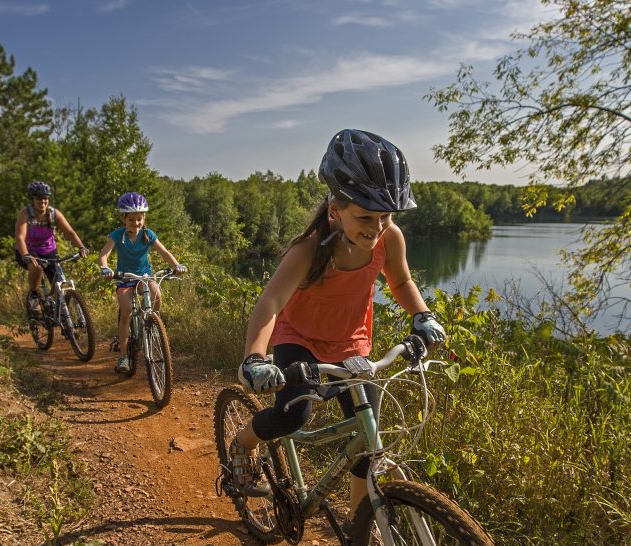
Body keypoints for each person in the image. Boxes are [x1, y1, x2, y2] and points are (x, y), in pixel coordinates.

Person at [229, 129, 446, 523]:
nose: (377, 227)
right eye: (365, 217)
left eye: (386, 216)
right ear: (336, 209)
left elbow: (400, 282)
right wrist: (255, 358)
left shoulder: (388, 239)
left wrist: (422, 315)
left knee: (369, 436)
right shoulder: (309, 249)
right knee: (294, 417)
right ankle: (244, 443)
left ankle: (359, 524)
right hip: (300, 340)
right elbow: (271, 302)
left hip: (352, 344)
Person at [98, 192, 187, 373]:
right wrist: (105, 268)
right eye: (132, 219)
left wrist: (176, 265)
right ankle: (123, 356)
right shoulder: (117, 235)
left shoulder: (148, 234)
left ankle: (152, 324)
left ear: (144, 218)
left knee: (157, 294)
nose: (136, 223)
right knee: (127, 312)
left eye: (139, 219)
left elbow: (164, 252)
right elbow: (104, 254)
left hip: (144, 276)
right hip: (124, 278)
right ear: (123, 218)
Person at [14, 180, 89, 315]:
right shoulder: (25, 214)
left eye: (45, 199)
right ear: (32, 199)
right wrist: (26, 255)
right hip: (27, 250)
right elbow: (20, 237)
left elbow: (70, 233)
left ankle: (64, 316)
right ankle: (34, 296)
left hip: (48, 250)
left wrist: (81, 247)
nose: (42, 202)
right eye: (39, 199)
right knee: (36, 268)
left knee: (60, 283)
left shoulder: (54, 213)